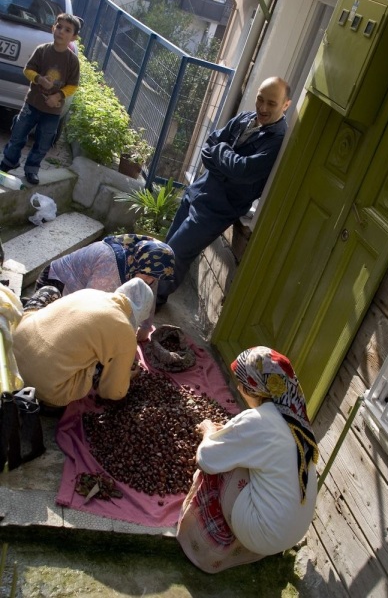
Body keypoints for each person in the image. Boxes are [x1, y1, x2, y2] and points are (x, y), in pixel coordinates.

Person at [176, 345, 319, 574]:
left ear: (255, 388)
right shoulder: (297, 420)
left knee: (222, 468)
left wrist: (208, 430)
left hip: (260, 533)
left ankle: (205, 546)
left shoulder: (258, 421)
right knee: (239, 456)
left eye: (242, 384)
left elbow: (206, 458)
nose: (239, 389)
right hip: (288, 534)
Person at [157, 77, 291, 307]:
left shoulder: (277, 140)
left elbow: (243, 170)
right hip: (197, 192)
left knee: (178, 254)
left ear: (285, 105)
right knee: (166, 249)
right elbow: (209, 145)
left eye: (271, 103)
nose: (263, 108)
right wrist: (224, 160)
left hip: (217, 209)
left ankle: (152, 303)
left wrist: (221, 152)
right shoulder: (245, 118)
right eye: (260, 99)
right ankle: (143, 294)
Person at [12, 278, 153, 408]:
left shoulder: (90, 293)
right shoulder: (125, 333)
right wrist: (126, 376)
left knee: (51, 291)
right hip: (44, 387)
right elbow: (112, 393)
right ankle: (48, 403)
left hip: (11, 352)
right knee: (103, 365)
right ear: (140, 313)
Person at [34, 234, 175, 341]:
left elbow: (149, 297)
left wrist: (145, 329)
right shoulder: (111, 266)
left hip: (84, 288)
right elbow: (89, 309)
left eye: (154, 278)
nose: (149, 280)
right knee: (51, 331)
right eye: (147, 276)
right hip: (56, 282)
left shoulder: (146, 266)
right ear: (139, 262)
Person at [0, 13, 81, 185]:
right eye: (59, 27)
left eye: (67, 30)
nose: (61, 32)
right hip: (32, 104)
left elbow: (73, 85)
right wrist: (38, 79)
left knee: (43, 142)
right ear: (53, 28)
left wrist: (58, 96)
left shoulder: (72, 61)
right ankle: (9, 161)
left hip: (52, 110)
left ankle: (32, 169)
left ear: (73, 37)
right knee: (18, 134)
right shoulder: (42, 50)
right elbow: (27, 70)